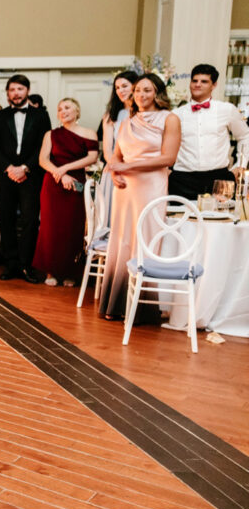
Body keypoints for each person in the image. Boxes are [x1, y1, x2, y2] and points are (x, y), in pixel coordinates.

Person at [99, 74, 181, 321]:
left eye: (147, 90)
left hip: (151, 186)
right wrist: (115, 173)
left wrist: (126, 168)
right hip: (125, 188)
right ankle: (116, 304)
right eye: (137, 91)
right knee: (122, 241)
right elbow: (116, 156)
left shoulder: (170, 119)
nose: (141, 95)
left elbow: (169, 158)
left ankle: (142, 309)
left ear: (158, 92)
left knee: (144, 241)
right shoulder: (127, 122)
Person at [0, 74, 52, 282]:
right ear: (7, 93)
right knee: (6, 219)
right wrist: (9, 168)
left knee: (30, 220)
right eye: (12, 90)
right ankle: (11, 264)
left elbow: (44, 146)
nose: (16, 93)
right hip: (5, 176)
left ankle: (26, 265)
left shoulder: (41, 116)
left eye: (20, 89)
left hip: (31, 176)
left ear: (27, 91)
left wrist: (25, 168)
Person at [32, 98, 99, 286]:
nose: (63, 111)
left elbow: (92, 157)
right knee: (51, 227)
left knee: (73, 227)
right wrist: (60, 174)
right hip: (53, 184)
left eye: (67, 107)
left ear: (77, 110)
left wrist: (66, 169)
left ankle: (71, 272)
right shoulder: (50, 134)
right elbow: (43, 160)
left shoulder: (89, 133)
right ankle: (50, 272)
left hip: (77, 182)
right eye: (60, 108)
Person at [169, 63, 249, 199]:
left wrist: (240, 165)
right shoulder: (176, 114)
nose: (198, 84)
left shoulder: (227, 109)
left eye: (204, 81)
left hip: (219, 178)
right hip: (183, 179)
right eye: (194, 81)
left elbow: (245, 135)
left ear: (214, 85)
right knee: (181, 218)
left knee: (223, 218)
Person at [96, 71, 139, 230]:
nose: (120, 90)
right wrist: (117, 168)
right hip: (115, 170)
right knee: (114, 218)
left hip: (139, 168)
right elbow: (107, 150)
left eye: (125, 86)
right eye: (117, 87)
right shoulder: (111, 115)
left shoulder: (144, 113)